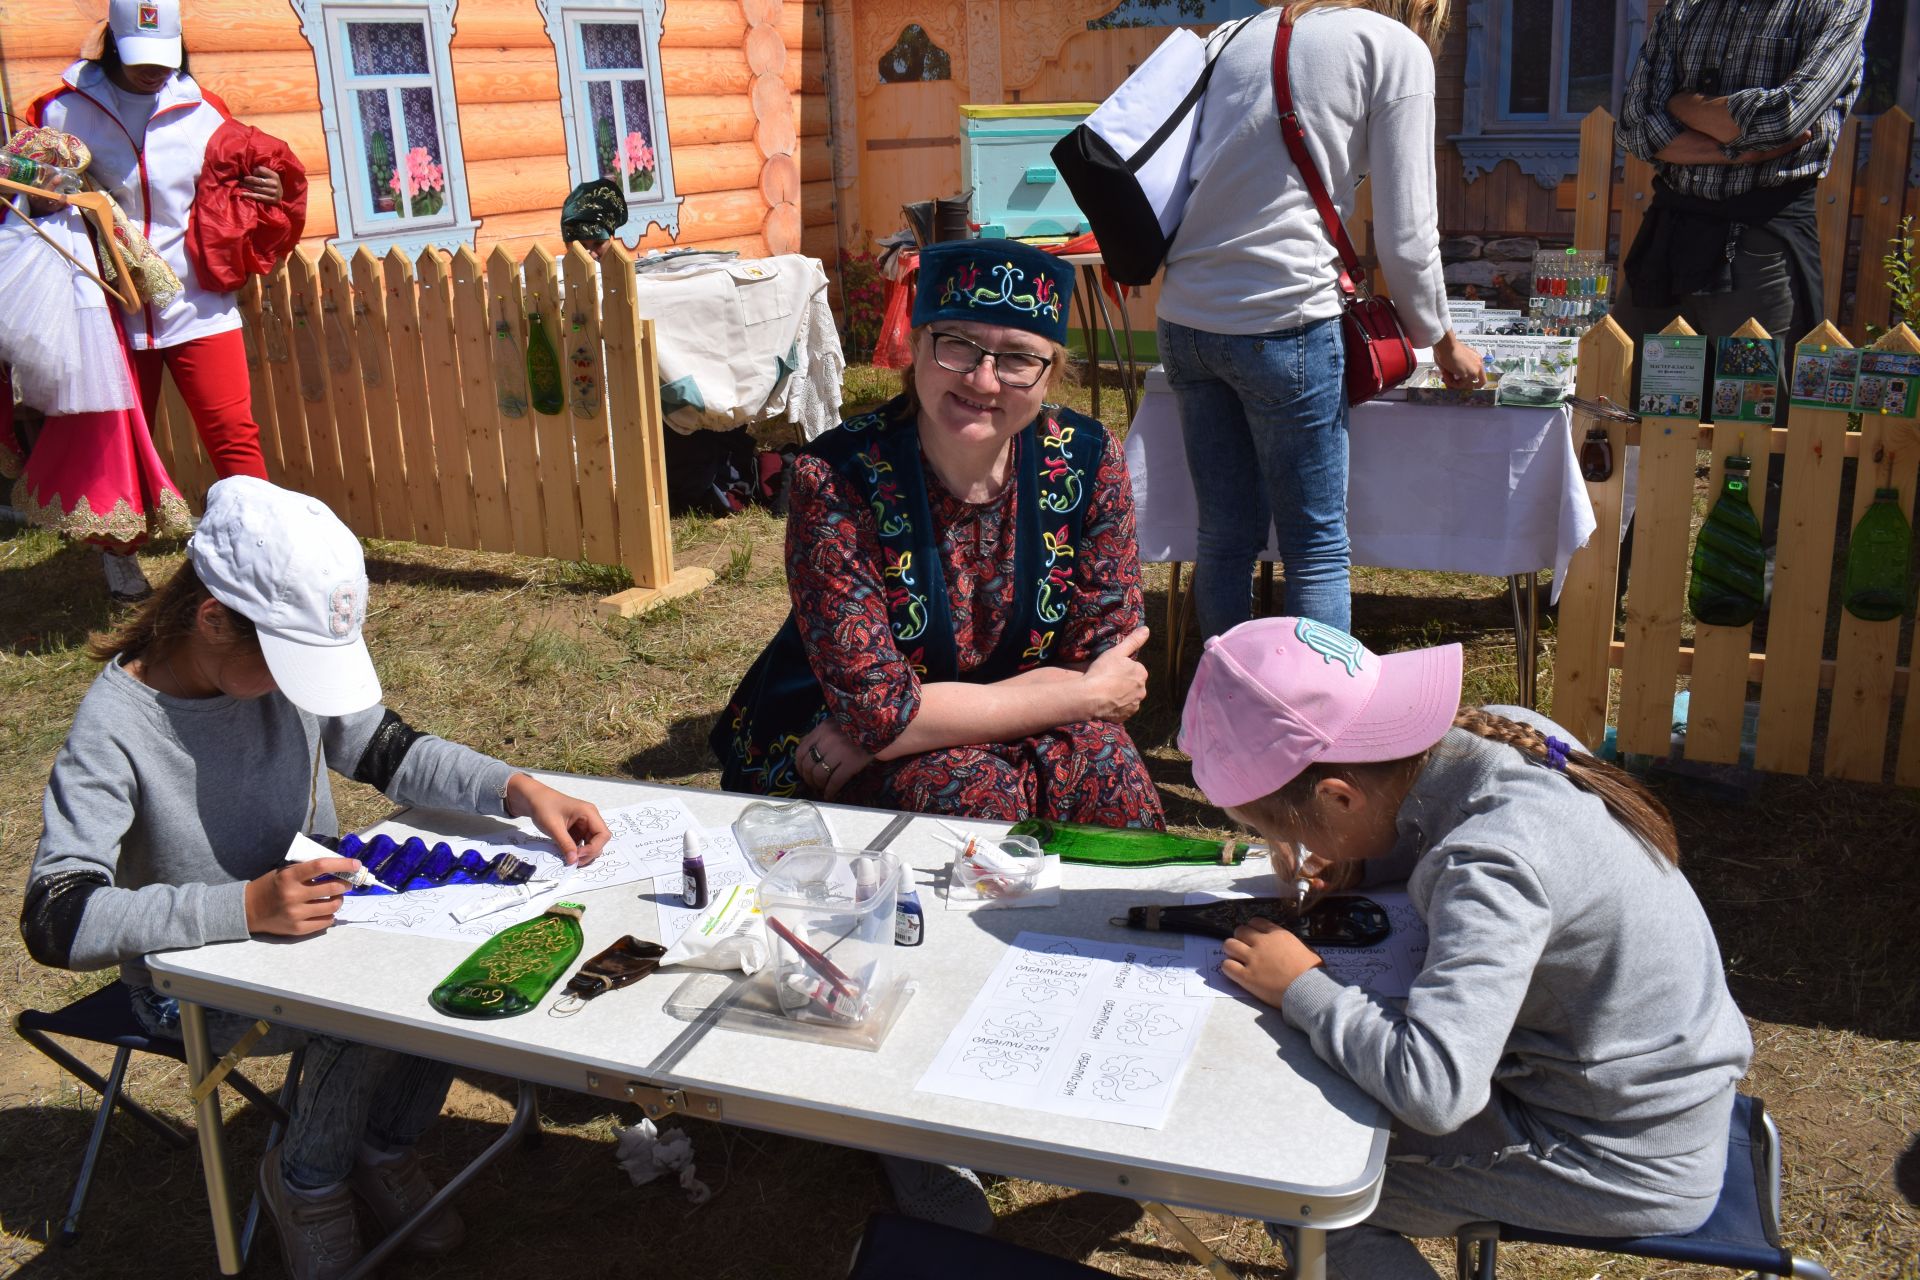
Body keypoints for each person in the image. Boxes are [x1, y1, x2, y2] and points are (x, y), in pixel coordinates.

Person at [20, 476, 613, 1280]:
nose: (301, 691)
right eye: (287, 664)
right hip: (192, 976)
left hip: (318, 920)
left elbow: (388, 749)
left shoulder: (262, 669)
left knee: (463, 953)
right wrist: (243, 906)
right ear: (212, 619)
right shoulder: (117, 730)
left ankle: (382, 1146)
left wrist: (518, 788)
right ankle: (308, 1180)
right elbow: (57, 918)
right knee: (361, 1009)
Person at [1177, 617, 1753, 1280]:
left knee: (1292, 1179)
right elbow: (1419, 822)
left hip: (1620, 1158)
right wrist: (1367, 864)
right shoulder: (1497, 734)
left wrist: (1301, 985)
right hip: (1656, 1094)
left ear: (1338, 797)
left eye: (1289, 833)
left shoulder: (1492, 865)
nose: (1301, 853)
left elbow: (1435, 1090)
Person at [712, 237, 1163, 829]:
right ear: (917, 347)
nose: (983, 379)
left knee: (1112, 784)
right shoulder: (839, 476)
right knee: (975, 805)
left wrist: (903, 724)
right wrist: (1079, 698)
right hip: (833, 731)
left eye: (1019, 357)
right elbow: (876, 709)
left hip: (1021, 718)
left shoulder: (1087, 459)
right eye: (958, 344)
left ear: (1052, 373)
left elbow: (1106, 655)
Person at [1155, 0, 1484, 642]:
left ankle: (1225, 708)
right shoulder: (1391, 47)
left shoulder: (1232, 35)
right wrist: (1441, 338)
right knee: (1316, 545)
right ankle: (1312, 725)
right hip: (1284, 315)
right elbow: (1408, 234)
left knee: (1223, 534)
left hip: (1186, 315)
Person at [29, 0, 297, 592]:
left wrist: (267, 188)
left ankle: (261, 552)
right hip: (107, 306)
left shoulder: (205, 109)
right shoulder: (62, 111)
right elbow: (23, 198)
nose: (155, 70)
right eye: (139, 56)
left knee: (233, 429)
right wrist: (40, 197)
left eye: (165, 56)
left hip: (197, 301)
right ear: (112, 44)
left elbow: (244, 190)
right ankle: (117, 549)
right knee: (118, 435)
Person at [1615, 0, 1870, 365]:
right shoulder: (1685, 7)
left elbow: (1782, 119)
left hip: (1761, 237)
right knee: (1633, 400)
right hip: (1668, 235)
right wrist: (1742, 149)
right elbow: (1633, 127)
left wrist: (1683, 104)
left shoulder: (1836, 6)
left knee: (1754, 407)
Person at [0, 126, 192, 592]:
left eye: (62, 181)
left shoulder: (89, 213)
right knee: (71, 433)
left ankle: (116, 548)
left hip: (98, 343)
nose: (54, 193)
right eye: (43, 183)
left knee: (111, 438)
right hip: (32, 352)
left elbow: (133, 283)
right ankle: (107, 544)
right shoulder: (11, 228)